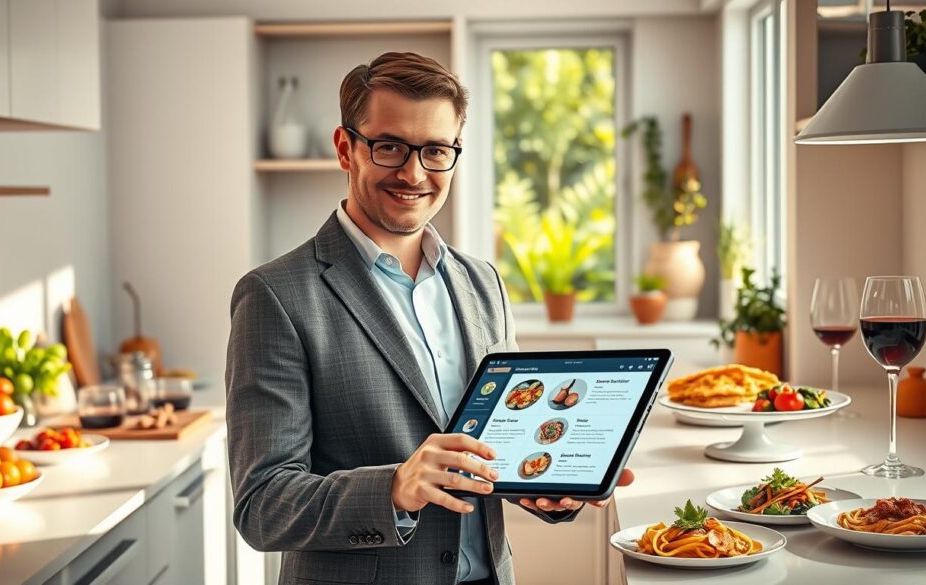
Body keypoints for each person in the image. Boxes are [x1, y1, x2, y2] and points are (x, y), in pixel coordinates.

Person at [226, 51, 634, 585]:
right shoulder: (275, 295)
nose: (414, 173)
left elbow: (500, 448)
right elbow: (263, 505)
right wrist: (395, 487)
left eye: (436, 150)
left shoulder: (483, 283)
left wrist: (551, 485)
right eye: (390, 146)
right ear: (346, 148)